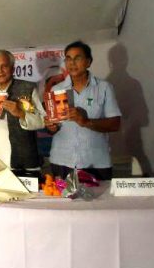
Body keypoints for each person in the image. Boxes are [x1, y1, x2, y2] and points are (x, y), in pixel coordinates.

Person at [45, 41, 121, 180]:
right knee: (63, 202)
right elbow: (52, 129)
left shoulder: (104, 88)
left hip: (96, 163)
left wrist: (86, 122)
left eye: (77, 58)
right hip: (62, 161)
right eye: (68, 58)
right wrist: (51, 126)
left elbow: (115, 124)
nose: (72, 63)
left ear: (88, 62)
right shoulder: (57, 89)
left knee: (99, 201)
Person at [0, 50, 45, 170]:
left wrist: (21, 113)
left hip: (22, 160)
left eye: (4, 66)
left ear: (12, 68)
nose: (0, 71)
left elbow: (43, 119)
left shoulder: (27, 88)